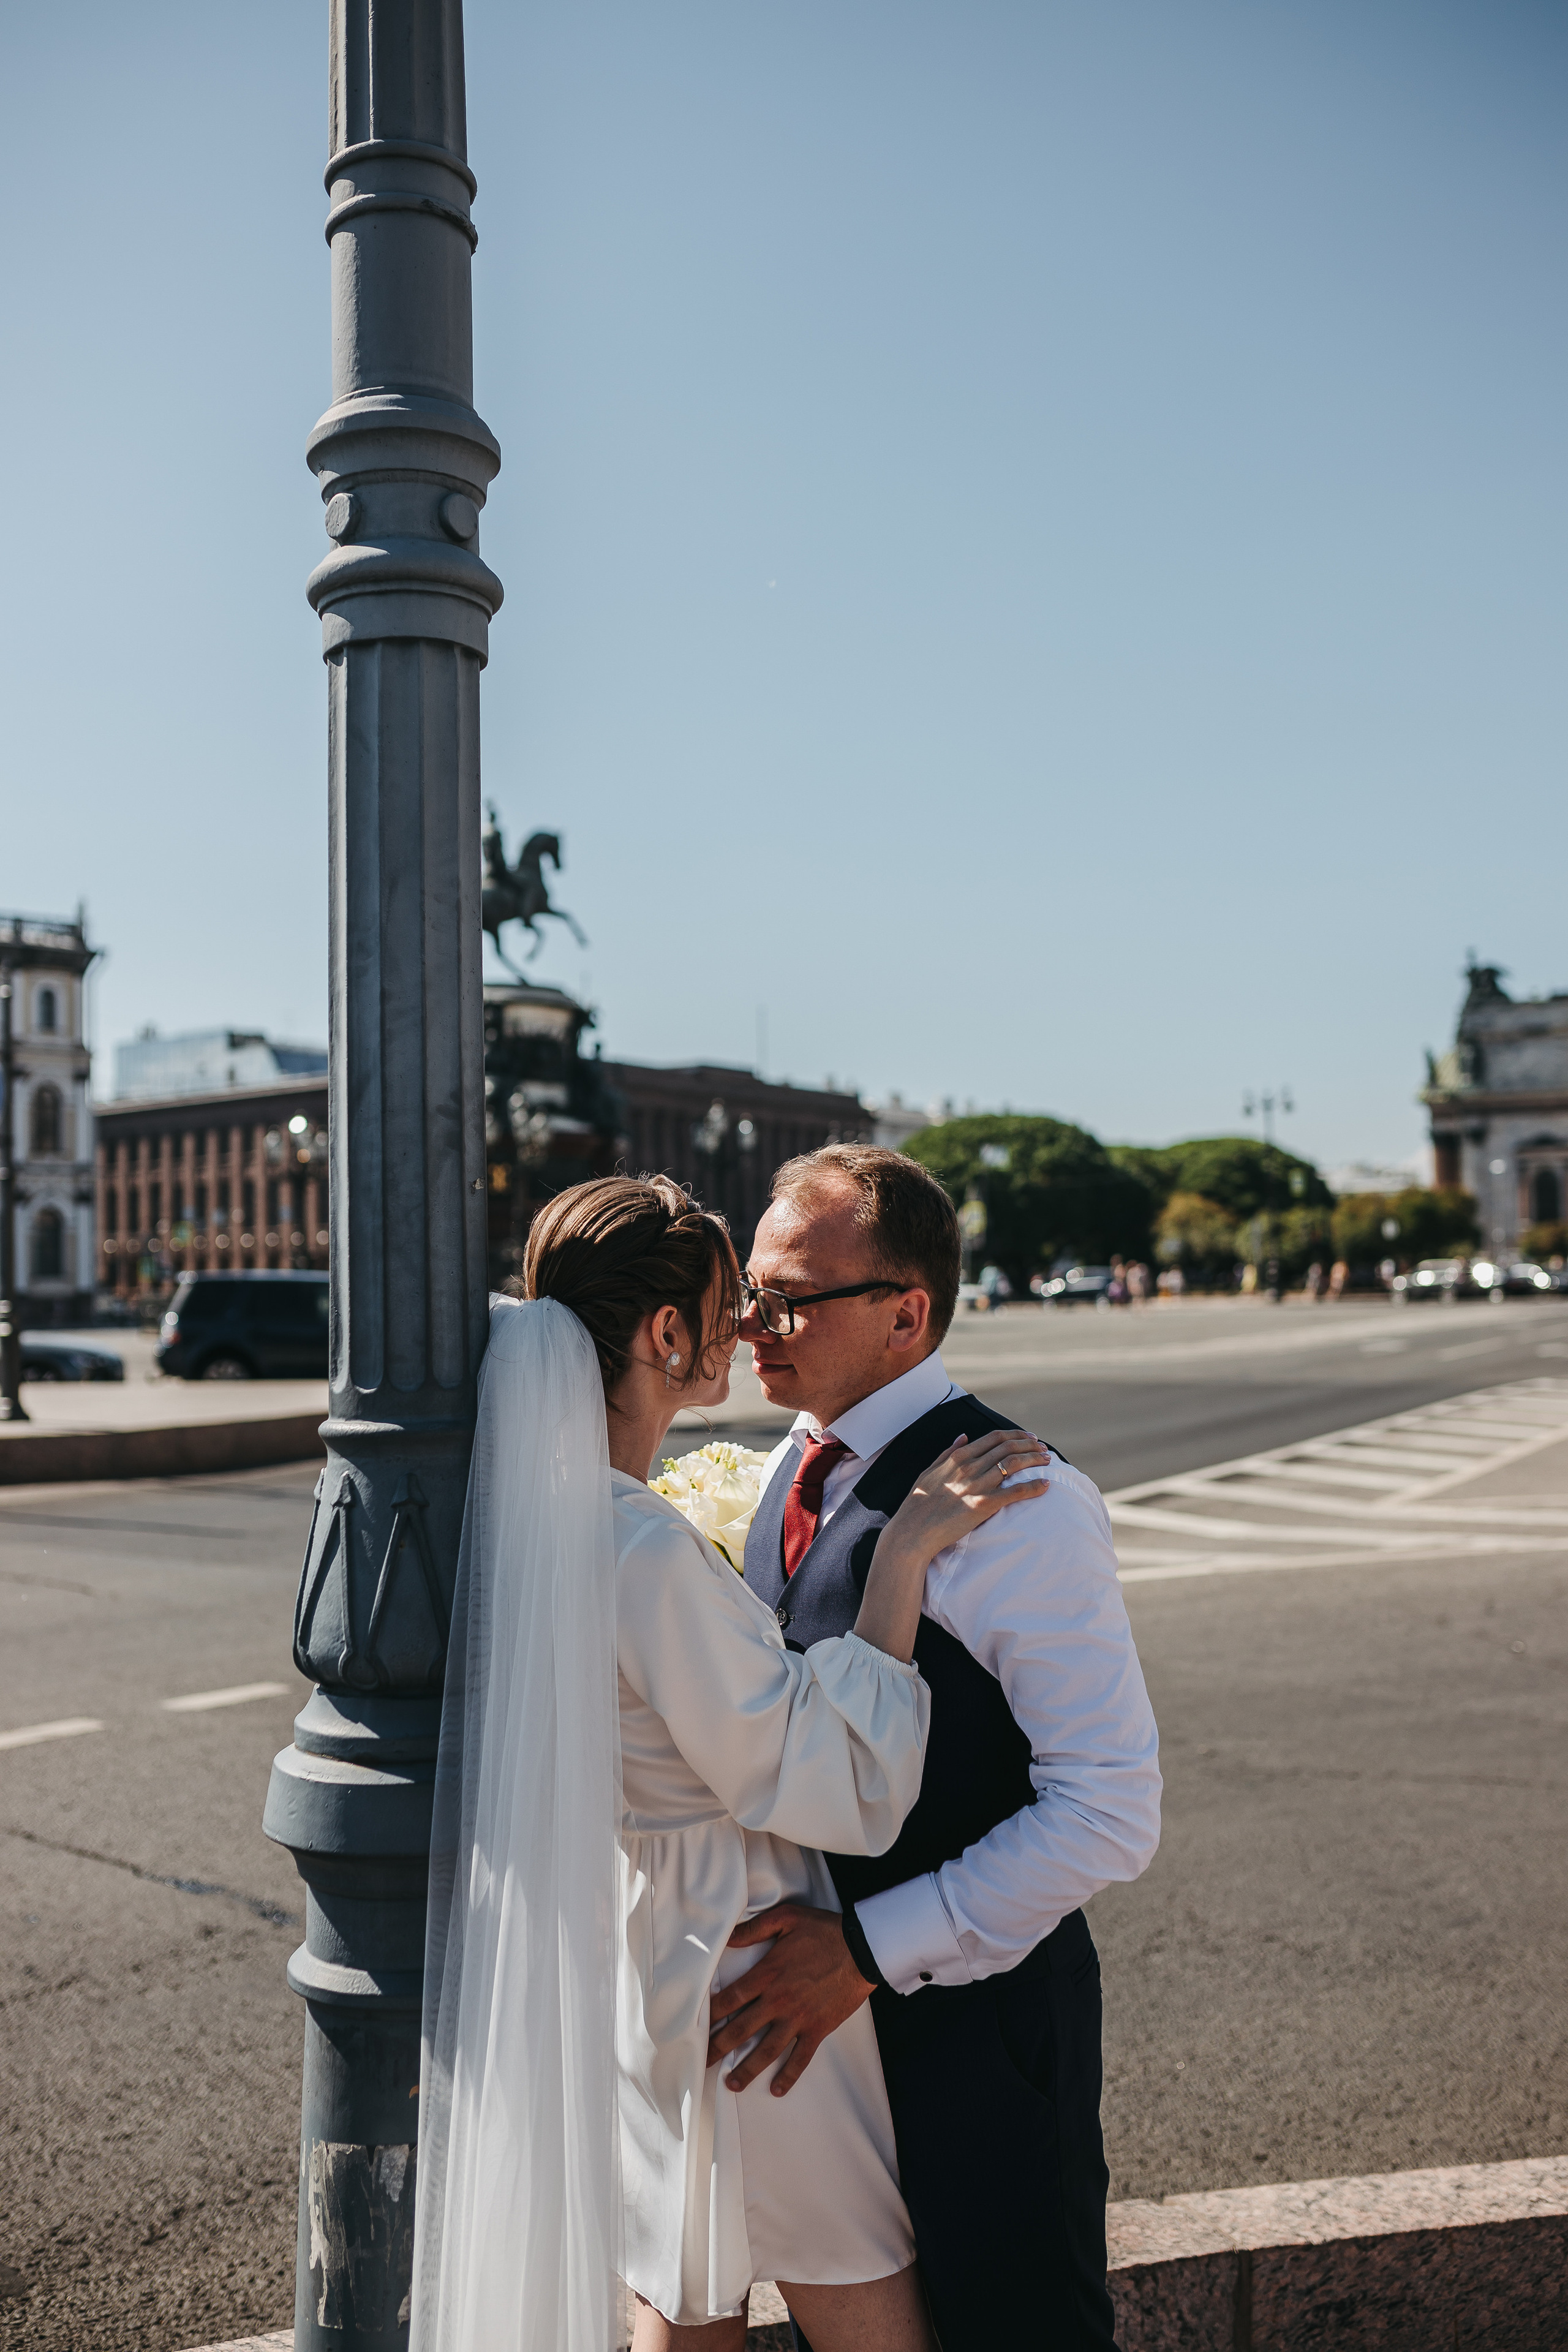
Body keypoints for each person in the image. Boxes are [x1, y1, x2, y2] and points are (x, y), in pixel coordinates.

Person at [408, 1175, 1050, 2352]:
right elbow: (827, 1784)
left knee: (684, 2291)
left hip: (654, 1952)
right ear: (665, 1334)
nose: (749, 1325)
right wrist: (899, 1562)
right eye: (728, 1303)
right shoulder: (641, 1544)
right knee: (856, 2286)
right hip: (753, 1964)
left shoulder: (545, 1520)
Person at [709, 1147, 1162, 2352]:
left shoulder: (1021, 1504)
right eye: (750, 1294)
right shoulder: (788, 1463)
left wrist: (867, 1950)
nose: (753, 1327)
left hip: (976, 2033)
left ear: (905, 1314)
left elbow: (1110, 1809)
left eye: (789, 1301)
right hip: (817, 2026)